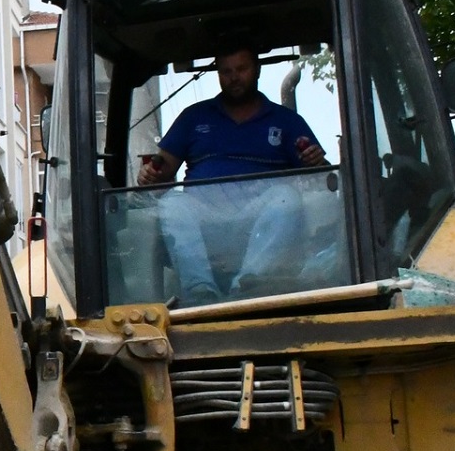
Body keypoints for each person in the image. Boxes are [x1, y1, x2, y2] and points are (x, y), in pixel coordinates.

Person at [136, 44, 329, 305]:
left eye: (241, 69)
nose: (234, 77)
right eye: (226, 71)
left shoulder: (286, 121)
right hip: (206, 219)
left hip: (261, 220)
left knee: (287, 197)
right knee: (172, 203)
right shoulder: (194, 117)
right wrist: (150, 174)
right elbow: (162, 167)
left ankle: (247, 288)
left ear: (257, 70)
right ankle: (200, 292)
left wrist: (315, 161)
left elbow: (321, 176)